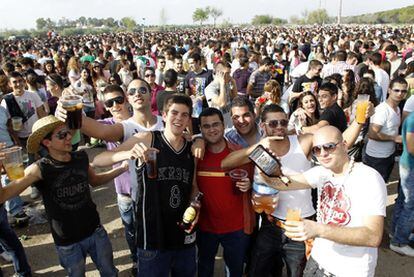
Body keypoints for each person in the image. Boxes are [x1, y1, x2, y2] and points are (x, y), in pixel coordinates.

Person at [222, 104, 368, 277]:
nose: (279, 127)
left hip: (300, 227)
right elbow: (226, 163)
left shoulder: (302, 142)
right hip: (270, 224)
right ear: (263, 125)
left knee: (296, 273)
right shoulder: (259, 148)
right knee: (258, 271)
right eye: (273, 123)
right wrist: (258, 146)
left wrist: (359, 121)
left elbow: (337, 144)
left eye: (283, 122)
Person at [1, 115, 127, 276]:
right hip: (68, 242)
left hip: (95, 231)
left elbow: (95, 181)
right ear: (47, 143)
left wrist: (121, 169)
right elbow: (4, 195)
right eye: (61, 135)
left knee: (110, 272)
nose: (69, 137)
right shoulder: (39, 169)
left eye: (68, 133)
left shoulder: (80, 157)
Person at [92, 94, 199, 277]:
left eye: (184, 115)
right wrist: (128, 154)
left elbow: (193, 188)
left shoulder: (191, 149)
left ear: (189, 119)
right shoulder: (147, 139)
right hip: (152, 236)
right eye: (174, 113)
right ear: (164, 115)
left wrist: (196, 206)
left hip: (183, 235)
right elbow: (98, 160)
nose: (179, 118)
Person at [260, 126, 386, 277]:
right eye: (317, 149)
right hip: (316, 263)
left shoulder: (368, 178)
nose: (323, 153)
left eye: (329, 147)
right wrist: (266, 172)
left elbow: (373, 236)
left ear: (345, 145)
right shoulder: (322, 172)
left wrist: (318, 229)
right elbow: (284, 183)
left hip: (348, 271)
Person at [196, 107, 253, 277]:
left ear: (223, 125)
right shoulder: (196, 154)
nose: (212, 129)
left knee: (234, 271)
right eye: (206, 126)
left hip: (236, 227)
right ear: (200, 129)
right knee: (204, 269)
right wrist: (196, 140)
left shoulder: (239, 154)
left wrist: (250, 185)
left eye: (216, 124)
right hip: (205, 227)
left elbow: (258, 183)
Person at [96, 84, 138, 274]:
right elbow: (83, 127)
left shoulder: (141, 121)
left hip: (147, 190)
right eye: (110, 102)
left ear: (126, 99)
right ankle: (136, 260)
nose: (115, 105)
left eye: (118, 100)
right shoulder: (106, 125)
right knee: (130, 231)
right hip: (124, 191)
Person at [363, 77, 408, 182]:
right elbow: (372, 134)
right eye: (396, 90)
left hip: (388, 154)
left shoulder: (397, 108)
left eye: (403, 91)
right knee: (375, 187)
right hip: (376, 157)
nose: (400, 93)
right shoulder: (382, 110)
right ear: (389, 90)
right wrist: (395, 138)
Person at [389, 111, 414, 256]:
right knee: (410, 205)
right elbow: (411, 148)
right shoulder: (412, 119)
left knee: (403, 201)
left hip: (409, 167)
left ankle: (396, 233)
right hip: (410, 167)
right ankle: (399, 241)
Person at [205, 62, 237, 129]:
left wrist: (233, 82)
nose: (229, 76)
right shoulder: (210, 88)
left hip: (229, 123)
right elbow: (222, 103)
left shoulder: (226, 84)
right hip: (219, 125)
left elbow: (234, 98)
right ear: (219, 73)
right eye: (227, 73)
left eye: (229, 73)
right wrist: (222, 84)